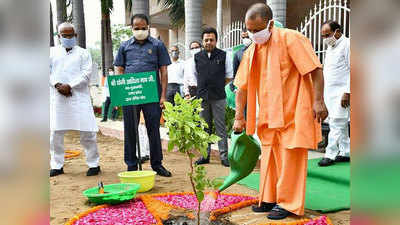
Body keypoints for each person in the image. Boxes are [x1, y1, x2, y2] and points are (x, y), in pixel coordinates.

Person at [233, 3, 328, 220]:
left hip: (295, 111)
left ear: (271, 24)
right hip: (268, 115)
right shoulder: (251, 51)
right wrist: (239, 116)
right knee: (269, 157)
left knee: (290, 157)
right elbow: (242, 87)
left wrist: (318, 101)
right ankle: (270, 197)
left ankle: (289, 204)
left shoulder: (291, 38)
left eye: (258, 30)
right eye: (250, 30)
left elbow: (315, 70)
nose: (254, 34)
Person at [114, 14, 172, 177]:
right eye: (136, 28)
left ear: (148, 27)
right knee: (130, 129)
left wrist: (163, 95)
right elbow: (119, 69)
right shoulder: (124, 46)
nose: (140, 31)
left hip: (152, 94)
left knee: (153, 129)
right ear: (132, 28)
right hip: (130, 94)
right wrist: (119, 96)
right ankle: (131, 164)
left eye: (143, 28)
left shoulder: (157, 45)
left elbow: (164, 71)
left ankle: (157, 164)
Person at [49, 22, 101, 177]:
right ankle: (57, 165)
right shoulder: (50, 52)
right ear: (59, 36)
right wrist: (58, 85)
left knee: (88, 133)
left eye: (70, 35)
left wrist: (70, 86)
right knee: (55, 134)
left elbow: (86, 74)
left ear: (76, 35)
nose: (67, 38)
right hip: (58, 98)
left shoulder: (84, 53)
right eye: (64, 35)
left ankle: (94, 164)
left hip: (79, 98)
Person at [190, 27, 233, 167]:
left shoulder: (224, 55)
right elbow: (195, 77)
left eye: (211, 40)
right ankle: (204, 155)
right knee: (204, 127)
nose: (208, 42)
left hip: (219, 97)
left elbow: (228, 76)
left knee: (220, 127)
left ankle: (224, 157)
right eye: (206, 40)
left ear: (216, 41)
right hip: (202, 97)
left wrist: (217, 85)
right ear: (202, 41)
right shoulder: (196, 57)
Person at [318, 20, 350, 167]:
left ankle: (330, 154)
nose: (325, 39)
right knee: (340, 123)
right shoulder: (331, 47)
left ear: (337, 31)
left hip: (342, 92)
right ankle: (345, 152)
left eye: (327, 35)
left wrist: (348, 92)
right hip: (330, 92)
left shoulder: (348, 44)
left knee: (336, 123)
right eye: (323, 36)